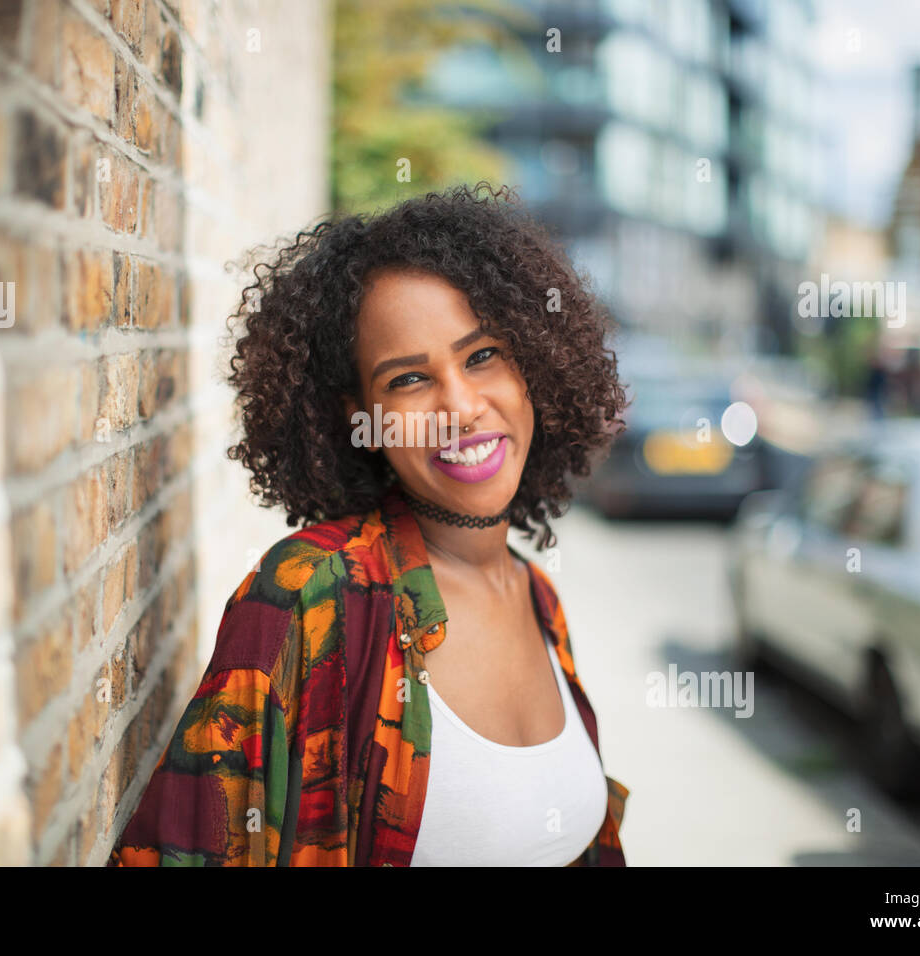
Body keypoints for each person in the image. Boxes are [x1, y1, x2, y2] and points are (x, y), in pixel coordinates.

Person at [108, 181, 631, 866]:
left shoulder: (540, 601)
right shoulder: (315, 592)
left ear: (534, 361)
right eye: (408, 380)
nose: (462, 407)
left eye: (482, 356)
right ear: (362, 417)